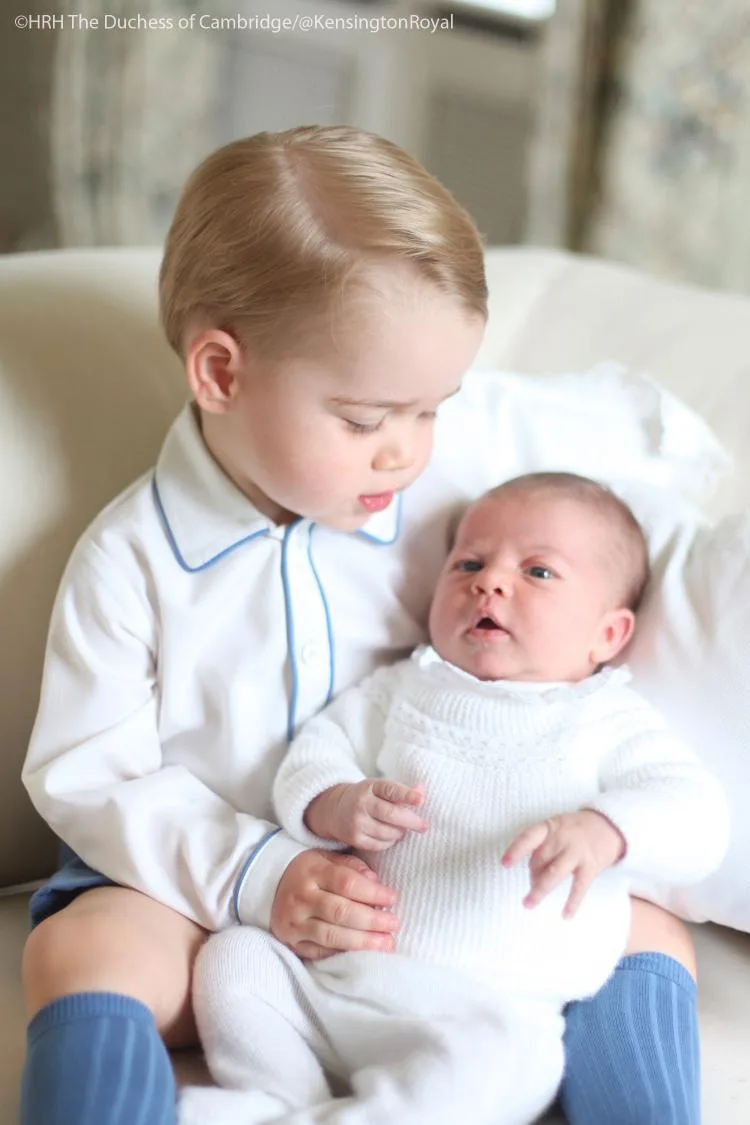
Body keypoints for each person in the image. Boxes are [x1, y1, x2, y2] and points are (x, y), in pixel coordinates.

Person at [19, 127, 708, 1125]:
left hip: (439, 885)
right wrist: (260, 871)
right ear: (221, 374)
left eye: (431, 411)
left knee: (647, 933)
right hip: (198, 886)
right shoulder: (132, 561)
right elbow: (91, 776)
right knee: (79, 948)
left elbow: (628, 432)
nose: (405, 454)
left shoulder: (453, 476)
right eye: (365, 419)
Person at [180, 473, 728, 1125]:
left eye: (538, 572)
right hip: (338, 985)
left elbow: (698, 816)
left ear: (607, 635)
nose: (489, 580)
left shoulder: (607, 718)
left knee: (510, 1063)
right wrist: (334, 800)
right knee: (235, 958)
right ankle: (280, 1095)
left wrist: (607, 829)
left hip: (488, 1011)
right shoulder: (402, 688)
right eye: (468, 561)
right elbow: (313, 754)